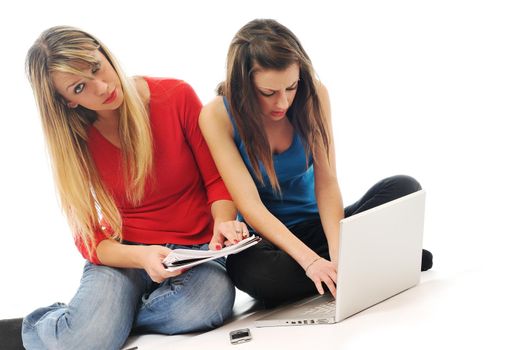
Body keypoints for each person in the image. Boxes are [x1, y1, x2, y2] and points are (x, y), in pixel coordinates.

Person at [21, 26, 248, 350]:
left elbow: (217, 181)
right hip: (128, 254)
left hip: (195, 251)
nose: (101, 87)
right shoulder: (75, 141)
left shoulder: (174, 96)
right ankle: (45, 329)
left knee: (209, 303)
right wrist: (142, 257)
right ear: (68, 101)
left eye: (96, 67)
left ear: (104, 52)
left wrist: (224, 221)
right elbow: (90, 238)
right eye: (80, 86)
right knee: (85, 340)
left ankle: (108, 320)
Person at [199, 19, 433, 304]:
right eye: (268, 93)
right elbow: (249, 206)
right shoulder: (216, 116)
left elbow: (327, 183)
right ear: (242, 85)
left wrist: (339, 253)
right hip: (270, 243)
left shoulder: (315, 96)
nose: (283, 103)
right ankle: (375, 263)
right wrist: (310, 263)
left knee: (403, 187)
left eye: (291, 87)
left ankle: (345, 267)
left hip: (320, 225)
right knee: (251, 273)